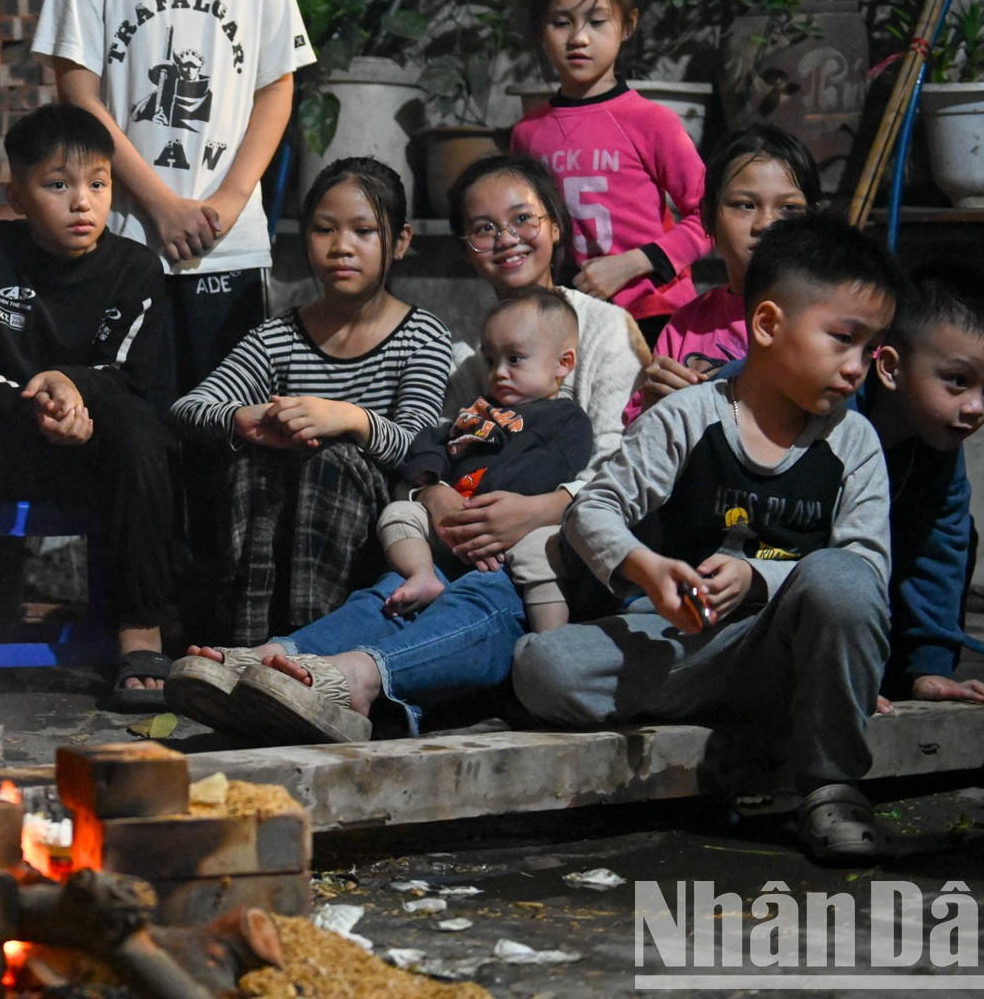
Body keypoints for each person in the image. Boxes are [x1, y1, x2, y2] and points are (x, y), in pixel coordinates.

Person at [165, 154, 645, 744]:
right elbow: (439, 445)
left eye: (522, 219)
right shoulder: (474, 360)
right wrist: (432, 492)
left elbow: (623, 463)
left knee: (479, 588)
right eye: (483, 227)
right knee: (396, 591)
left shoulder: (602, 329)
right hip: (463, 536)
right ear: (464, 244)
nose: (505, 239)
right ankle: (268, 656)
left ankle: (350, 681)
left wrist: (546, 507)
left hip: (559, 546)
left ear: (555, 226)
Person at [512, 214, 904, 865]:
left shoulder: (854, 441)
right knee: (543, 665)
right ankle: (791, 708)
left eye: (872, 348)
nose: (858, 366)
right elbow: (592, 511)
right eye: (843, 339)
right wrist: (647, 569)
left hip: (778, 643)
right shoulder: (690, 415)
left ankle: (831, 784)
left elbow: (866, 566)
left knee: (841, 580)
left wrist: (759, 578)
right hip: (684, 646)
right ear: (770, 324)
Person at [32, 0, 315, 393]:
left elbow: (277, 87)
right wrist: (160, 206)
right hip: (129, 236)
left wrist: (227, 200)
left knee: (226, 428)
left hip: (228, 244)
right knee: (137, 423)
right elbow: (78, 95)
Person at [170, 157, 450, 645]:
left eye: (364, 231)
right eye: (325, 230)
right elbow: (187, 409)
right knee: (253, 460)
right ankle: (248, 643)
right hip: (271, 541)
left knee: (335, 459)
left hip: (373, 544)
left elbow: (419, 448)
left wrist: (348, 420)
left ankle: (311, 644)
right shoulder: (279, 336)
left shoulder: (422, 335)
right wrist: (242, 417)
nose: (342, 247)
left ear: (400, 241)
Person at [0, 104, 181, 711]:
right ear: (17, 194)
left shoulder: (135, 267)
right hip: (7, 439)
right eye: (57, 185)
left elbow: (135, 377)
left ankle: (141, 633)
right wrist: (35, 399)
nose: (82, 203)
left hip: (97, 454)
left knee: (144, 431)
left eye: (97, 184)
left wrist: (72, 386)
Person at [510, 0, 712, 345]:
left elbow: (710, 215)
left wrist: (633, 264)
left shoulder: (652, 122)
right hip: (570, 319)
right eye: (560, 22)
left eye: (597, 22)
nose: (578, 38)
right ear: (540, 30)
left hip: (655, 315)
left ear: (627, 25)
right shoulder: (527, 134)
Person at [383, 288, 593, 630]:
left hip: (515, 525)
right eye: (491, 359)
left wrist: (488, 507)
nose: (498, 372)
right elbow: (433, 440)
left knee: (541, 551)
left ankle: (551, 636)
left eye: (515, 359)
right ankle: (421, 575)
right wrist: (430, 482)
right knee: (398, 513)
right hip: (453, 523)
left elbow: (551, 466)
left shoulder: (566, 419)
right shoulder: (478, 410)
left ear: (563, 363)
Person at [861, 266, 984, 708]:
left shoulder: (937, 448)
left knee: (957, 533)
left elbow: (939, 550)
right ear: (890, 367)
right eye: (959, 381)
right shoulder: (832, 420)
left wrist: (929, 669)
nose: (976, 407)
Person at [626, 124, 820, 423]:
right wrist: (653, 407)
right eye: (745, 205)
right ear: (706, 217)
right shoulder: (686, 327)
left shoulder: (829, 321)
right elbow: (639, 444)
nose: (766, 224)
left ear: (813, 220)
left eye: (789, 209)